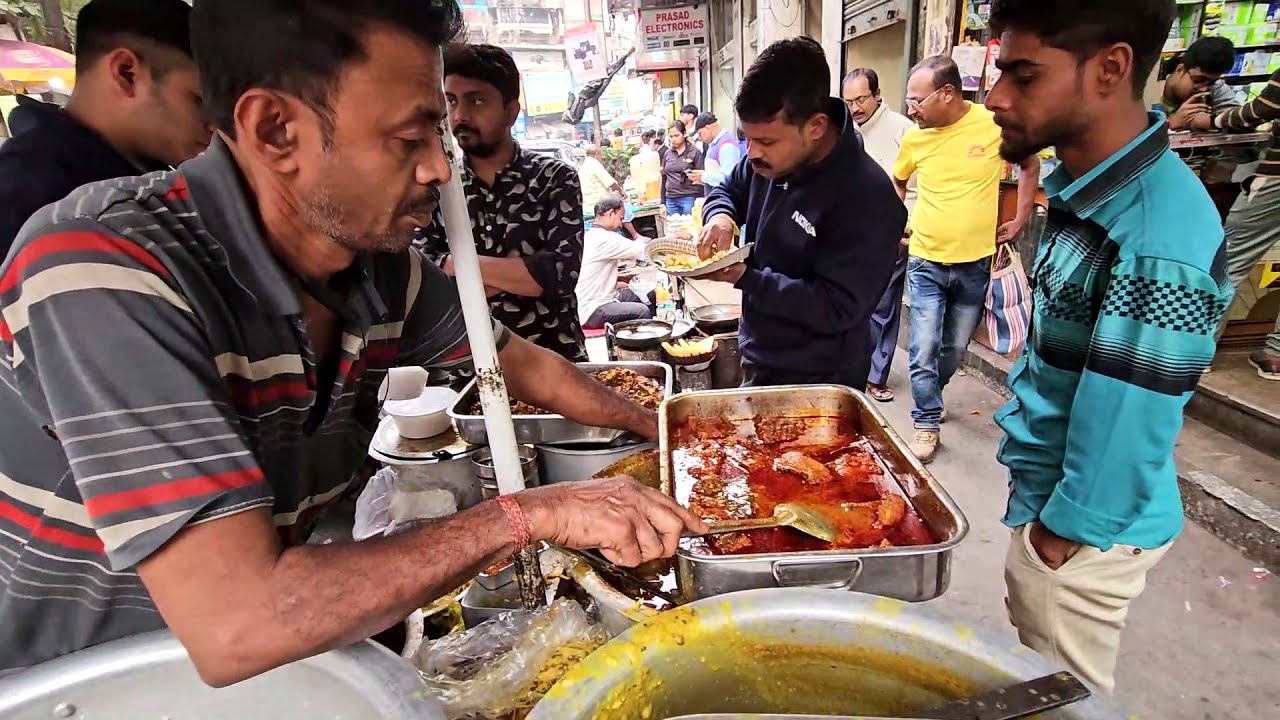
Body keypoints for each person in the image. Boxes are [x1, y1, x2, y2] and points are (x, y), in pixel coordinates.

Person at [0, 0, 705, 682]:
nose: (437, 167)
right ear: (275, 130)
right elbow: (238, 622)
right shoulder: (102, 269)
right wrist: (533, 513)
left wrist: (673, 436)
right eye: (410, 139)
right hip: (88, 682)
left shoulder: (380, 269)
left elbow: (523, 366)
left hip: (271, 668)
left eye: (442, 138)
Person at [985, 0, 1232, 693]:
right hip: (1055, 510)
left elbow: (1130, 418)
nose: (997, 97)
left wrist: (1059, 541)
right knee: (1038, 679)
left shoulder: (1157, 233)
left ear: (1110, 69)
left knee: (1065, 699)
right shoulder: (1088, 192)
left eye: (1023, 76)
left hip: (1082, 533)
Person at [696, 37, 905, 389]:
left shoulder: (869, 198)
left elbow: (838, 307)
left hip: (822, 378)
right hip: (759, 353)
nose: (752, 154)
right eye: (748, 139)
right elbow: (729, 190)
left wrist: (746, 278)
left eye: (767, 141)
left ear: (816, 127)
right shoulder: (767, 163)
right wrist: (720, 216)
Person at [893, 56, 1040, 463]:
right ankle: (926, 422)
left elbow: (1029, 164)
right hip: (925, 261)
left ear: (947, 93)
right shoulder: (915, 138)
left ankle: (931, 395)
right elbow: (898, 179)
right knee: (923, 347)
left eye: (917, 99)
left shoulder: (992, 125)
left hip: (976, 263)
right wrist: (897, 220)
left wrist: (1021, 218)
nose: (911, 108)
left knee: (953, 350)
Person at [415, 44, 588, 362]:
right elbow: (427, 287)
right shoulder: (437, 187)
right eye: (451, 101)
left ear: (511, 112)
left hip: (556, 357)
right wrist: (526, 275)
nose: (460, 115)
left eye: (476, 100)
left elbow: (560, 276)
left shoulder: (554, 178)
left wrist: (454, 265)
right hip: (472, 366)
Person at [0, 0, 211, 256]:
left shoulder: (146, 180)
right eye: (199, 100)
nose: (216, 123)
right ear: (127, 73)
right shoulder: (26, 193)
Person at [843, 67, 916, 403]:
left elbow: (913, 185)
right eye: (849, 101)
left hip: (891, 231)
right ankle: (857, 364)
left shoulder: (902, 129)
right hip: (852, 231)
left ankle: (876, 374)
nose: (856, 107)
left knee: (884, 304)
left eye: (861, 99)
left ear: (876, 95)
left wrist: (903, 226)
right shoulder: (846, 133)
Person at [1211, 67, 1280, 380]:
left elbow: (1253, 113)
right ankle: (1276, 354)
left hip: (1275, 182)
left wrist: (1210, 120)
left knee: (1229, 261)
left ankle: (1195, 353)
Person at [577, 196, 655, 329]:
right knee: (642, 311)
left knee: (649, 294)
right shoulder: (605, 238)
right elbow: (645, 251)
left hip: (605, 297)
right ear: (610, 213)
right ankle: (640, 342)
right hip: (593, 309)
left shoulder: (591, 235)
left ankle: (648, 329)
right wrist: (673, 239)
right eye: (620, 218)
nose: (621, 224)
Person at [1160, 36, 1239, 132]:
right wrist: (1170, 123)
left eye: (1211, 83)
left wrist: (1203, 121)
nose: (1204, 89)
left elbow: (1237, 119)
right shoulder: (1150, 88)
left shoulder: (1216, 87)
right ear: (1180, 69)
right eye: (1199, 80)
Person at [660, 120, 704, 216]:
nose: (673, 139)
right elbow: (664, 178)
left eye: (676, 136)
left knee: (689, 227)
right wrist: (662, 203)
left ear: (684, 134)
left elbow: (701, 177)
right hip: (671, 198)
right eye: (671, 137)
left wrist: (701, 200)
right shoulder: (667, 154)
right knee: (673, 228)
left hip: (689, 197)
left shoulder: (694, 152)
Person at [689, 111, 742, 190]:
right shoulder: (714, 144)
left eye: (700, 133)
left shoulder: (727, 146)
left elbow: (730, 179)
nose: (699, 138)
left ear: (708, 128)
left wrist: (704, 177)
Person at [579, 144, 624, 211]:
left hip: (588, 205)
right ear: (597, 153)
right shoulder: (594, 165)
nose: (602, 157)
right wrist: (621, 191)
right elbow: (611, 183)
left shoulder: (583, 166)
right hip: (599, 205)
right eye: (601, 154)